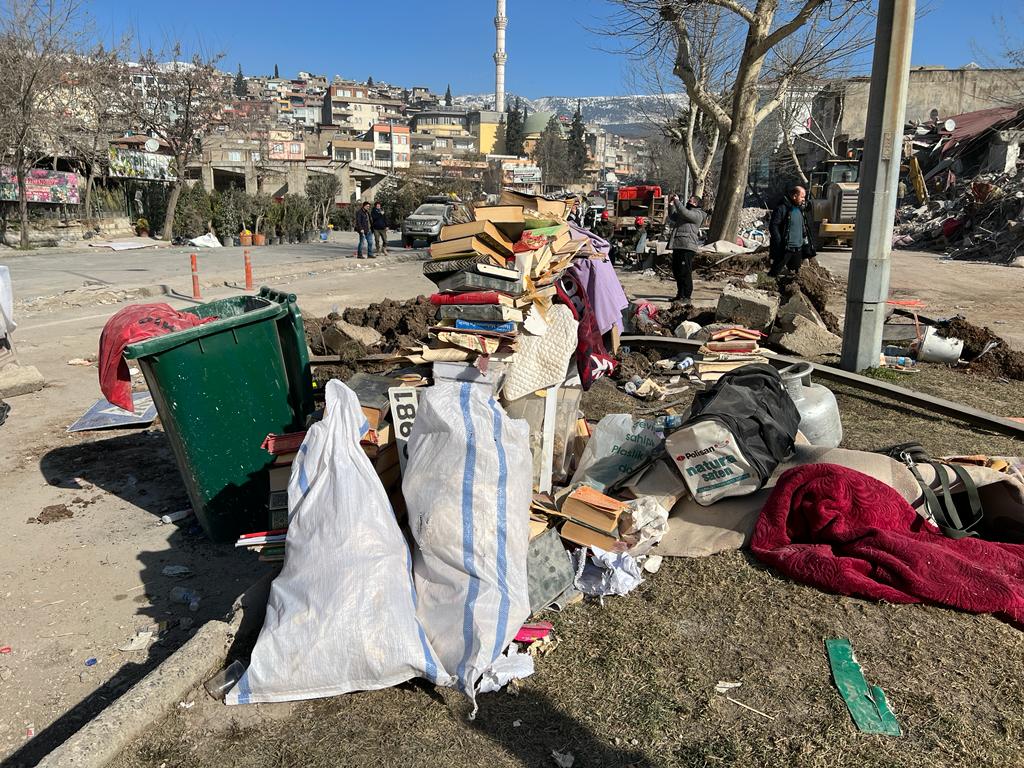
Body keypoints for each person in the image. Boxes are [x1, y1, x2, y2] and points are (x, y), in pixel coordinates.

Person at [667, 194, 706, 302]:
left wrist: (677, 201)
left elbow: (684, 212)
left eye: (691, 200)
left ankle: (687, 296)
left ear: (696, 204)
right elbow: (673, 216)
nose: (688, 201)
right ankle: (680, 294)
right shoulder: (684, 213)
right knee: (677, 271)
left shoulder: (698, 214)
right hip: (678, 245)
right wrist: (671, 204)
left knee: (685, 272)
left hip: (687, 246)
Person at [768, 185, 813, 277]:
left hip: (798, 248)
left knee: (794, 273)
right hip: (785, 248)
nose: (804, 199)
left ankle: (786, 288)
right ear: (794, 196)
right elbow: (773, 226)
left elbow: (804, 227)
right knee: (775, 271)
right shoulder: (782, 208)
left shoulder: (800, 209)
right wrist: (779, 242)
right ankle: (767, 284)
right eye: (802, 197)